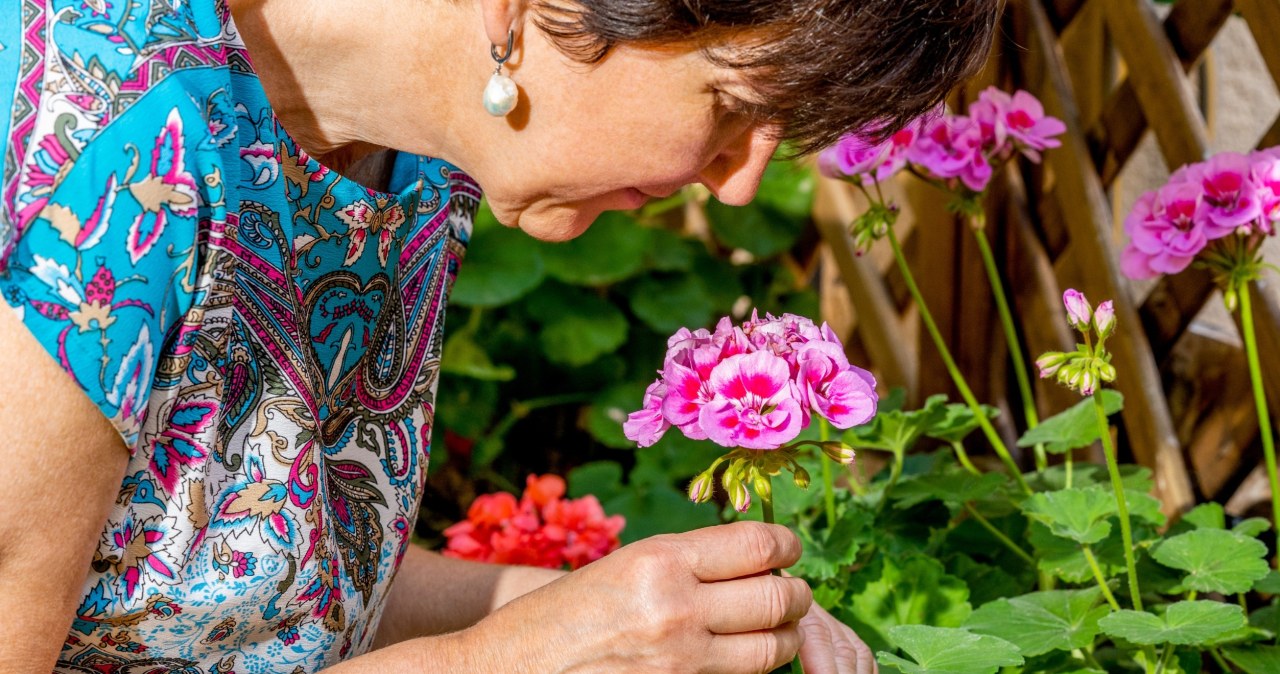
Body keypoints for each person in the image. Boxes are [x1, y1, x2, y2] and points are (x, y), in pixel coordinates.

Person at [0, 0, 998, 671]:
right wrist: (518, 652)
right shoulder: (93, 133)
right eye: (733, 108)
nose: (737, 181)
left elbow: (261, 594)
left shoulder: (406, 167)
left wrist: (651, 615)